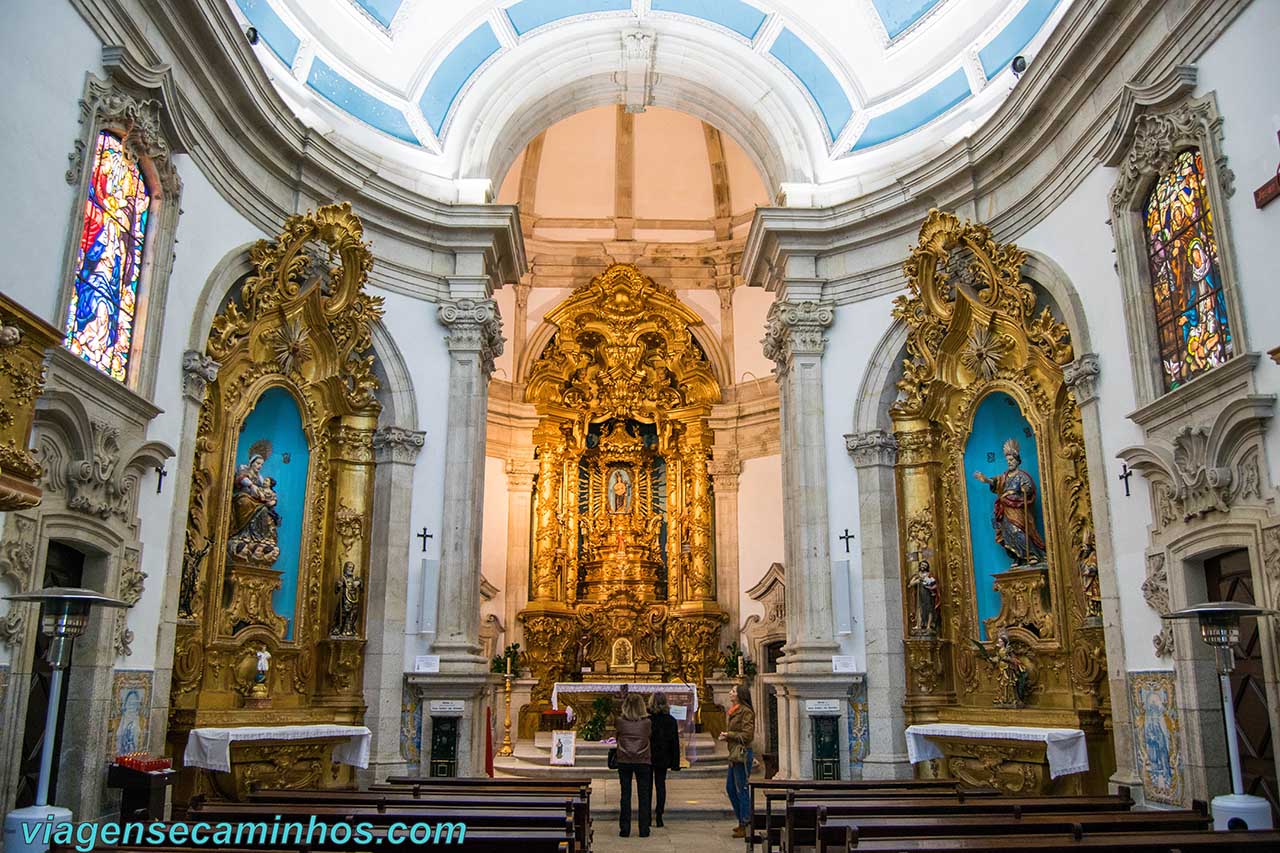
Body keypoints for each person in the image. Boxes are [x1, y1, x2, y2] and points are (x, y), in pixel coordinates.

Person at [719, 684, 755, 838]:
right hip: (734, 754)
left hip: (741, 754)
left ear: (740, 695)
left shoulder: (746, 712)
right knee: (731, 788)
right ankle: (741, 819)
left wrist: (729, 735)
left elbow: (748, 735)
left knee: (741, 789)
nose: (730, 692)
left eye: (733, 691)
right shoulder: (734, 710)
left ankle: (746, 823)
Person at [614, 692, 653, 837]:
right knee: (644, 795)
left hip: (624, 759)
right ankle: (644, 829)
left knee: (625, 794)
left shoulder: (619, 721)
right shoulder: (647, 722)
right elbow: (649, 735)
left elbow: (617, 736)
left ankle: (625, 829)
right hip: (643, 760)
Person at [648, 692, 680, 828]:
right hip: (663, 756)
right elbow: (675, 743)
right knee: (661, 785)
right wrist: (675, 763)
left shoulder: (647, 720)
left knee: (647, 787)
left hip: (649, 756)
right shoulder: (671, 720)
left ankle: (647, 816)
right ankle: (659, 815)